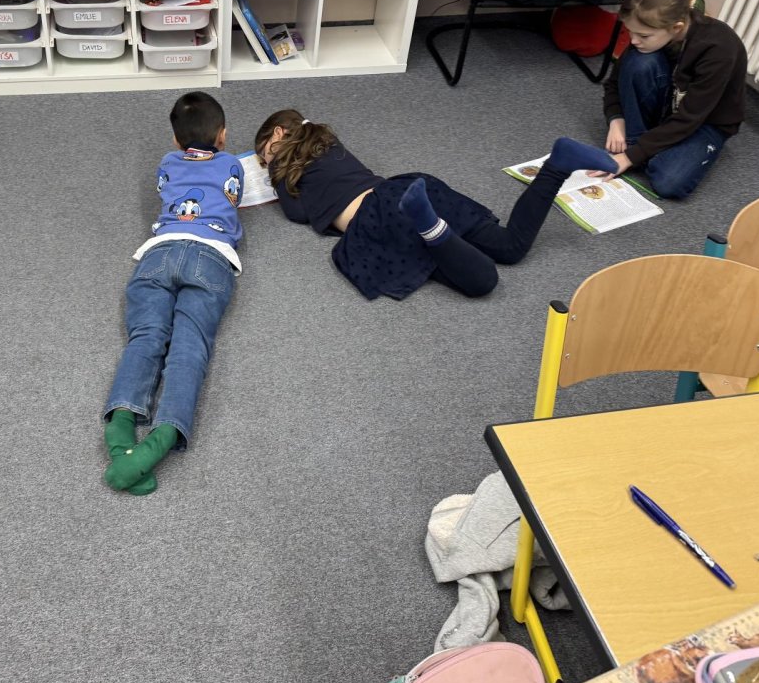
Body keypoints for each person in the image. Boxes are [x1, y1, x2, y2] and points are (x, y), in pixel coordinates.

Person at [254, 109, 617, 300]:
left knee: (483, 282)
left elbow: (297, 213)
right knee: (510, 246)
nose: (263, 161)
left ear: (278, 135)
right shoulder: (330, 144)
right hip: (406, 187)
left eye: (263, 154)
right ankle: (557, 166)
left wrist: (275, 172)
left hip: (376, 220)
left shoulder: (289, 173)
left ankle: (431, 228)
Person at [102, 91, 243, 496]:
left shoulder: (166, 162)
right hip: (211, 256)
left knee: (145, 337)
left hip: (159, 252)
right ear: (222, 135)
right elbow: (233, 196)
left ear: (176, 140)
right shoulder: (232, 163)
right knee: (189, 346)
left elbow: (168, 187)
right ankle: (161, 438)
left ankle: (120, 435)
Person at [597, 0, 746, 199]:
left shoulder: (719, 48)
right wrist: (616, 119)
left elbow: (689, 118)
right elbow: (614, 83)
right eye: (630, 32)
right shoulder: (650, 33)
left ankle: (642, 149)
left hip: (704, 121)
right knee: (638, 62)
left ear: (676, 28)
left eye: (643, 35)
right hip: (670, 104)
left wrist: (629, 156)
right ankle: (645, 147)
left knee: (669, 183)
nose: (634, 40)